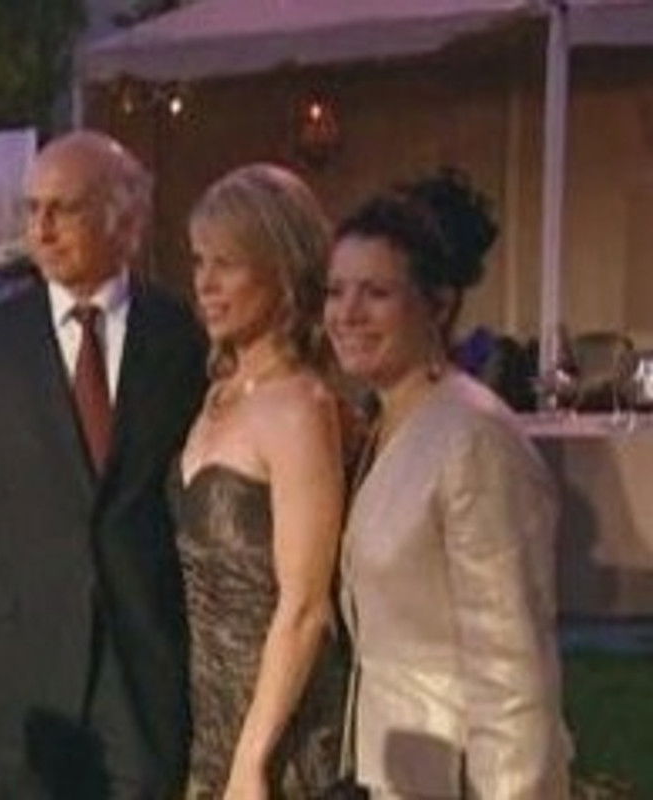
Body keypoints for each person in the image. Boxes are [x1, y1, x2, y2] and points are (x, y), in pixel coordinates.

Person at [0, 130, 207, 798]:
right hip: (20, 681)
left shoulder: (178, 337)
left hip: (142, 669)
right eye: (32, 209)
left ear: (124, 220)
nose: (40, 229)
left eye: (63, 209)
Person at [324, 170, 571, 799]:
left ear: (438, 305)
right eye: (336, 291)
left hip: (458, 775)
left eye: (376, 292)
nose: (347, 314)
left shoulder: (474, 437)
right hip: (390, 768)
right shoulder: (382, 424)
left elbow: (514, 671)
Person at [173, 164, 347, 798]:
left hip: (278, 738)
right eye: (199, 262)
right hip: (209, 722)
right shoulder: (217, 394)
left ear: (284, 272)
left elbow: (306, 607)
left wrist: (252, 760)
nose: (206, 284)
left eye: (227, 264)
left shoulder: (300, 408)